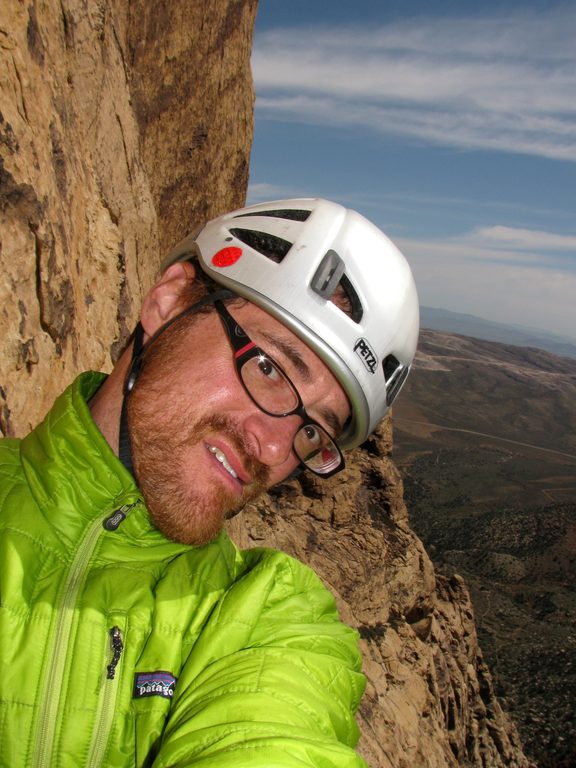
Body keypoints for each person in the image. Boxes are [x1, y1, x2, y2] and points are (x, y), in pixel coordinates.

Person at [0, 198, 419, 767]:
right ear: (169, 300)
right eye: (270, 368)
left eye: (314, 432)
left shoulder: (269, 618)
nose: (273, 450)